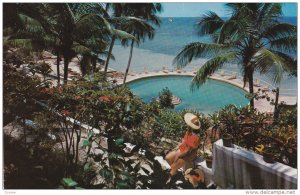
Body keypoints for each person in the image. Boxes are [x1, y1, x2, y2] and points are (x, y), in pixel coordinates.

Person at [165, 113, 201, 180]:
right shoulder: (188, 132)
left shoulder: (196, 137)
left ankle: (172, 177)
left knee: (173, 166)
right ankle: (174, 173)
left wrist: (179, 156)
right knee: (167, 158)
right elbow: (184, 141)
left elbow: (188, 151)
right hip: (183, 149)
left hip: (189, 154)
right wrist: (177, 148)